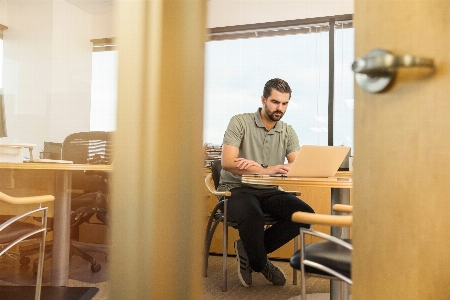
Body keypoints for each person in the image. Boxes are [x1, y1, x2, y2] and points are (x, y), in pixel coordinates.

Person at [217, 78, 315, 287]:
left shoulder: (287, 131)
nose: (280, 108)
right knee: (253, 215)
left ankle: (248, 249)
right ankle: (261, 263)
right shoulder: (240, 121)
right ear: (263, 99)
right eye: (275, 102)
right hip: (236, 188)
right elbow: (227, 162)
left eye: (285, 103)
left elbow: (295, 166)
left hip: (270, 190)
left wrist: (262, 169)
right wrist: (267, 169)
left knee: (304, 216)